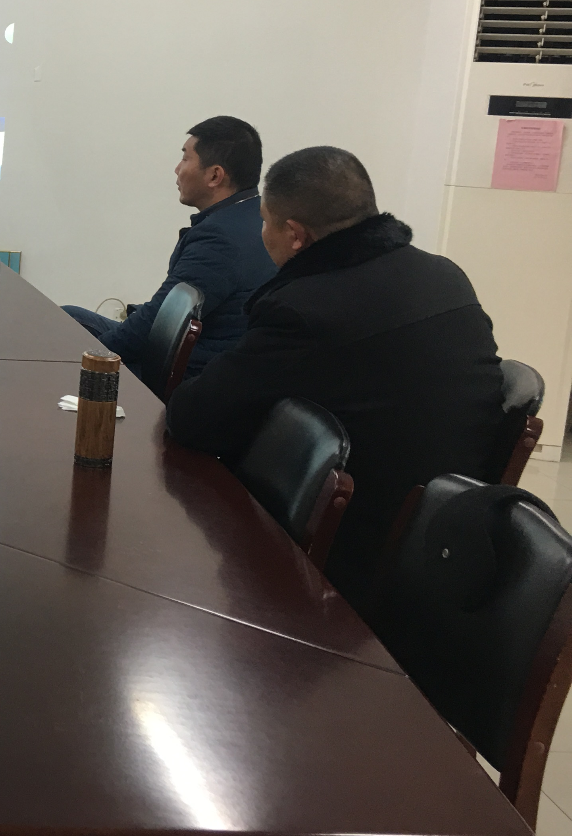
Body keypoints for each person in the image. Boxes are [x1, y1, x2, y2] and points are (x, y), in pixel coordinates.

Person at [165, 146, 504, 612]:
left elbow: (193, 418)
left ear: (295, 235)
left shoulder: (305, 309)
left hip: (357, 556)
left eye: (264, 222)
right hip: (460, 532)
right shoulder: (446, 276)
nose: (262, 235)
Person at [62, 116, 274, 382]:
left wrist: (93, 359)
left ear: (214, 175)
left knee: (64, 345)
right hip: (198, 354)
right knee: (68, 317)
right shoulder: (254, 216)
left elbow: (160, 322)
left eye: (185, 158)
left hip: (182, 373)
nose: (177, 169)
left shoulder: (219, 238)